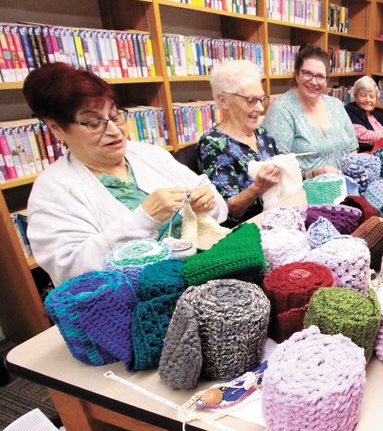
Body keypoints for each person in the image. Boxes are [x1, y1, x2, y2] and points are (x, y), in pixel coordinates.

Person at [23, 63, 227, 286]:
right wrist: (142, 220)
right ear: (56, 128)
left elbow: (217, 203)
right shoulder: (52, 190)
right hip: (139, 299)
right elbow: (71, 270)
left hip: (206, 271)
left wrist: (207, 203)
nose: (113, 130)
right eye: (93, 122)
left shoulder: (148, 154)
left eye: (114, 115)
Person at [198, 60, 282, 225]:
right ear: (223, 101)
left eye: (262, 99)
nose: (259, 108)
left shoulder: (262, 134)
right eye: (251, 100)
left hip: (277, 219)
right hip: (246, 232)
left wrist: (312, 174)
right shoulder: (213, 144)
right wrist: (258, 187)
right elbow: (227, 211)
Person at [263, 44, 358, 178]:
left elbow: (352, 149)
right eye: (307, 73)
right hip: (303, 193)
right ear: (296, 74)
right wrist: (312, 174)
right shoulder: (281, 109)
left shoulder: (336, 105)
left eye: (320, 76)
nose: (314, 82)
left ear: (326, 81)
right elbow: (275, 167)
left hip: (343, 189)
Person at [344, 75, 383, 151]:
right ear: (355, 96)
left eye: (371, 96)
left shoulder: (375, 113)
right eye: (363, 95)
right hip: (367, 153)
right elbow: (361, 135)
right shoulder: (351, 110)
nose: (368, 100)